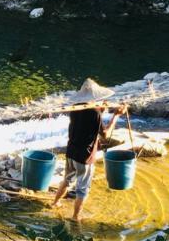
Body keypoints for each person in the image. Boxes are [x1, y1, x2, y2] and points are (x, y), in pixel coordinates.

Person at [49, 78, 123, 221]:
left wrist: (102, 110)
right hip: (85, 156)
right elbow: (105, 134)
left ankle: (55, 202)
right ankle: (76, 217)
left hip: (71, 151)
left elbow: (86, 122)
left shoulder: (75, 108)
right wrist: (116, 116)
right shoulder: (95, 112)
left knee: (67, 180)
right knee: (83, 188)